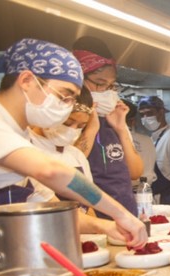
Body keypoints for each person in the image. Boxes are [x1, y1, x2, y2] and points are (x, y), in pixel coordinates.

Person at [0, 38, 146, 246]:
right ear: (27, 81)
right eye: (64, 95)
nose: (66, 106)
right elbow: (52, 172)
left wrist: (105, 226)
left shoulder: (21, 136)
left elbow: (50, 207)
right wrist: (120, 214)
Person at [72, 36, 143, 218]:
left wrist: (121, 128)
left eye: (110, 86)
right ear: (79, 78)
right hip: (93, 218)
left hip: (126, 214)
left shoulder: (113, 118)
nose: (105, 91)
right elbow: (68, 169)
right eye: (99, 83)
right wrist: (90, 128)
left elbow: (134, 172)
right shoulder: (69, 119)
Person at [138, 96, 170, 208]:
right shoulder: (152, 139)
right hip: (158, 199)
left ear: (161, 112)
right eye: (142, 115)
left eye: (149, 113)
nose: (145, 118)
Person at [124, 99, 157, 186]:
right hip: (145, 190)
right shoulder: (147, 140)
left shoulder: (113, 141)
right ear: (133, 121)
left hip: (125, 191)